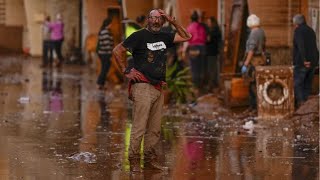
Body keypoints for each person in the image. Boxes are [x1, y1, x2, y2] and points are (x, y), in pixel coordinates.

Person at [113, 9, 191, 172]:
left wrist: (173, 21)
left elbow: (186, 37)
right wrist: (126, 71)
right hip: (142, 86)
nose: (156, 21)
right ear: (148, 20)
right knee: (139, 127)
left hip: (157, 87)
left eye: (159, 19)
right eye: (153, 18)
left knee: (154, 129)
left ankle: (149, 160)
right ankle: (134, 161)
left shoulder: (164, 36)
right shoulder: (139, 36)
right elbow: (117, 51)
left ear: (162, 21)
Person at [292, 14, 319, 108]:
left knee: (298, 84)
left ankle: (301, 104)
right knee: (307, 84)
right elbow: (314, 46)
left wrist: (304, 60)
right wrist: (315, 61)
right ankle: (306, 106)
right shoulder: (311, 30)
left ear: (296, 23)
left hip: (303, 62)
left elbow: (301, 46)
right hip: (313, 61)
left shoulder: (298, 31)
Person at [241, 14, 266, 113]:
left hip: (254, 61)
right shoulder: (261, 31)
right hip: (260, 59)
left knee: (252, 85)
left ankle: (254, 107)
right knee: (257, 84)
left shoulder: (254, 33)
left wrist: (246, 64)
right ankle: (255, 107)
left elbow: (251, 50)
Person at [184, 10, 207, 95]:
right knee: (202, 68)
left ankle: (196, 88)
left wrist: (184, 51)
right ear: (198, 19)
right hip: (203, 48)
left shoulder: (190, 27)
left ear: (191, 19)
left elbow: (186, 39)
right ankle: (201, 87)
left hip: (194, 48)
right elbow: (205, 38)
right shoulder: (201, 27)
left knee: (194, 69)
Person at [96, 18, 114, 90]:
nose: (111, 25)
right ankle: (99, 83)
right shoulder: (105, 32)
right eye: (111, 24)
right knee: (104, 69)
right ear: (108, 24)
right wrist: (110, 54)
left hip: (103, 53)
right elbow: (107, 45)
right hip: (105, 53)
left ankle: (101, 84)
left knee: (105, 68)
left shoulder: (104, 31)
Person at [205, 16, 222, 91]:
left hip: (212, 53)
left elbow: (208, 39)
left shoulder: (214, 31)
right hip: (212, 52)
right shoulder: (215, 30)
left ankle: (212, 86)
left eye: (209, 22)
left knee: (211, 69)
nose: (208, 24)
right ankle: (213, 85)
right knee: (212, 69)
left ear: (212, 23)